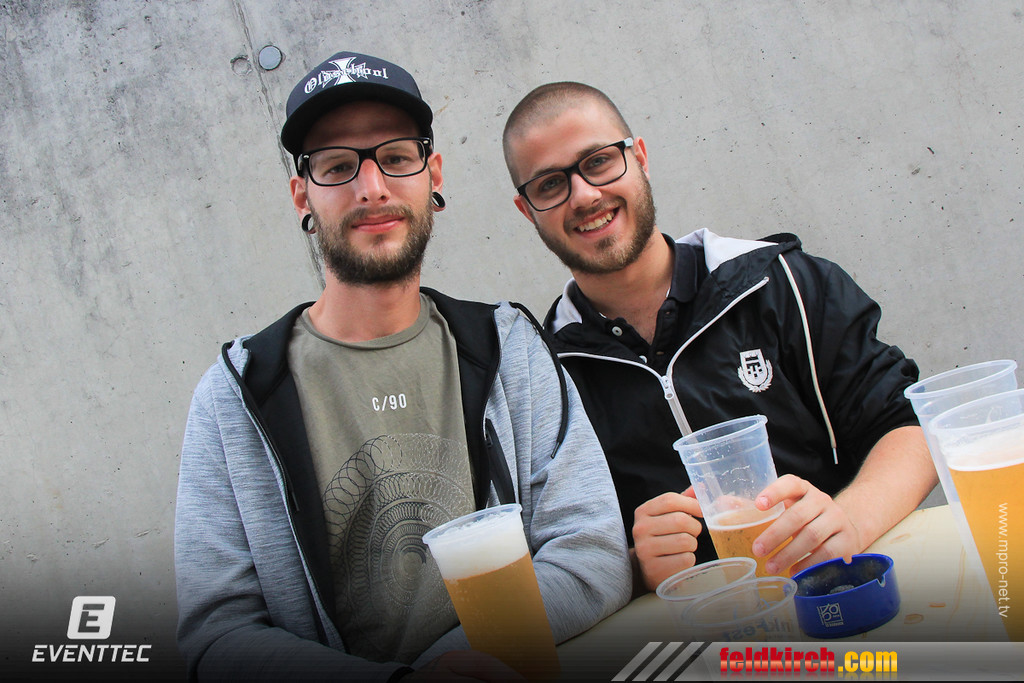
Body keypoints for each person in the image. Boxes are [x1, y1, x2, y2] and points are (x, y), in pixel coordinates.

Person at [174, 54, 631, 681]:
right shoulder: (238, 394)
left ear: (432, 174)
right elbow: (218, 636)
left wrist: (457, 662)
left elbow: (592, 551)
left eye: (395, 157)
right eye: (337, 166)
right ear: (302, 195)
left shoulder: (506, 345)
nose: (372, 188)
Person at [501, 81, 937, 594]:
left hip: (851, 594)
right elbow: (557, 553)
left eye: (599, 161)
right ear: (526, 210)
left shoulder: (781, 282)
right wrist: (635, 568)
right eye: (550, 184)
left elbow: (909, 425)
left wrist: (849, 523)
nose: (584, 195)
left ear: (639, 157)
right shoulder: (547, 376)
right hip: (699, 629)